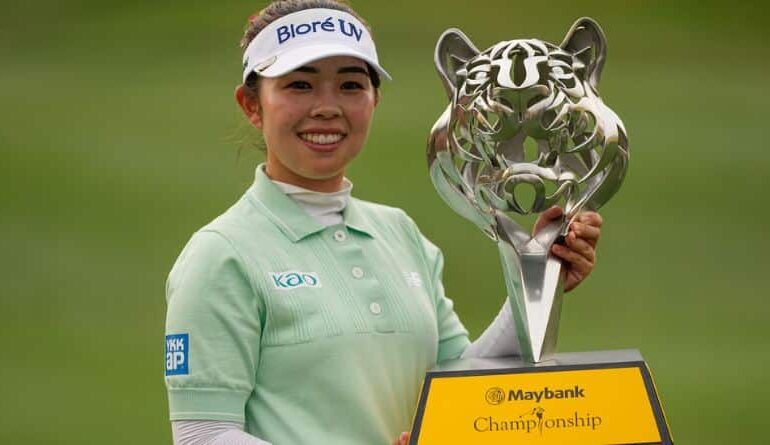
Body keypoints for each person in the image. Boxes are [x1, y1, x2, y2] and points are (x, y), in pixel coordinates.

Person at [163, 1, 603, 444]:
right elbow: (203, 434)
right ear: (252, 105)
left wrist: (537, 281)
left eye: (351, 85)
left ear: (375, 100)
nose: (327, 107)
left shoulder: (399, 233)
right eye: (300, 85)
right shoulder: (221, 254)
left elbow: (459, 388)